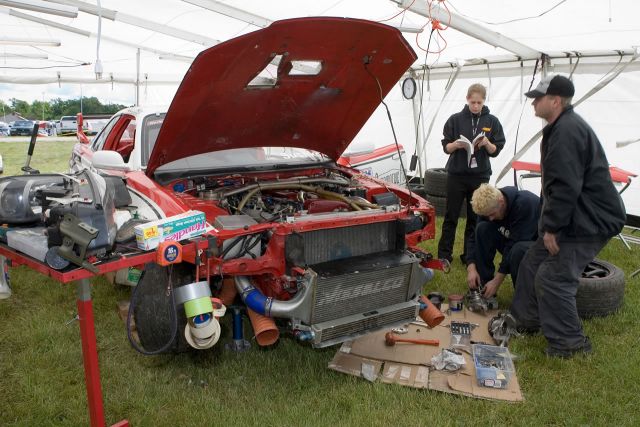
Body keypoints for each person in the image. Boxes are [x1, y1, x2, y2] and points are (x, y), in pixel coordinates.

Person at [512, 74, 626, 358]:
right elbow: (556, 186)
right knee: (532, 262)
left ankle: (570, 344)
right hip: (575, 215)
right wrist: (547, 226)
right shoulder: (559, 127)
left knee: (553, 278)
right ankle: (526, 321)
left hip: (591, 220)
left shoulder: (567, 131)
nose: (533, 103)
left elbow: (565, 186)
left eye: (538, 98)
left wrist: (552, 228)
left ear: (556, 101)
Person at [437, 83, 506, 264]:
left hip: (480, 176)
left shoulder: (492, 121)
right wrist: (456, 145)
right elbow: (446, 147)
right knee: (451, 216)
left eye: (479, 103)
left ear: (484, 101)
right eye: (473, 102)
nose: (476, 106)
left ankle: (469, 256)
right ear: (467, 99)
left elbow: (496, 150)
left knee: (475, 218)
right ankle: (444, 255)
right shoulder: (455, 119)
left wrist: (487, 143)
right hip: (457, 175)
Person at [466, 184, 540, 298]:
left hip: (537, 246)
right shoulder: (488, 205)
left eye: (492, 214)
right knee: (482, 229)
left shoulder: (525, 204)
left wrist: (496, 282)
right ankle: (484, 289)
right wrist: (471, 268)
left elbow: (512, 246)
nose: (490, 219)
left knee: (517, 250)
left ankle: (524, 299)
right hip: (512, 241)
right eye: (487, 216)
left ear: (501, 202)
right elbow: (473, 238)